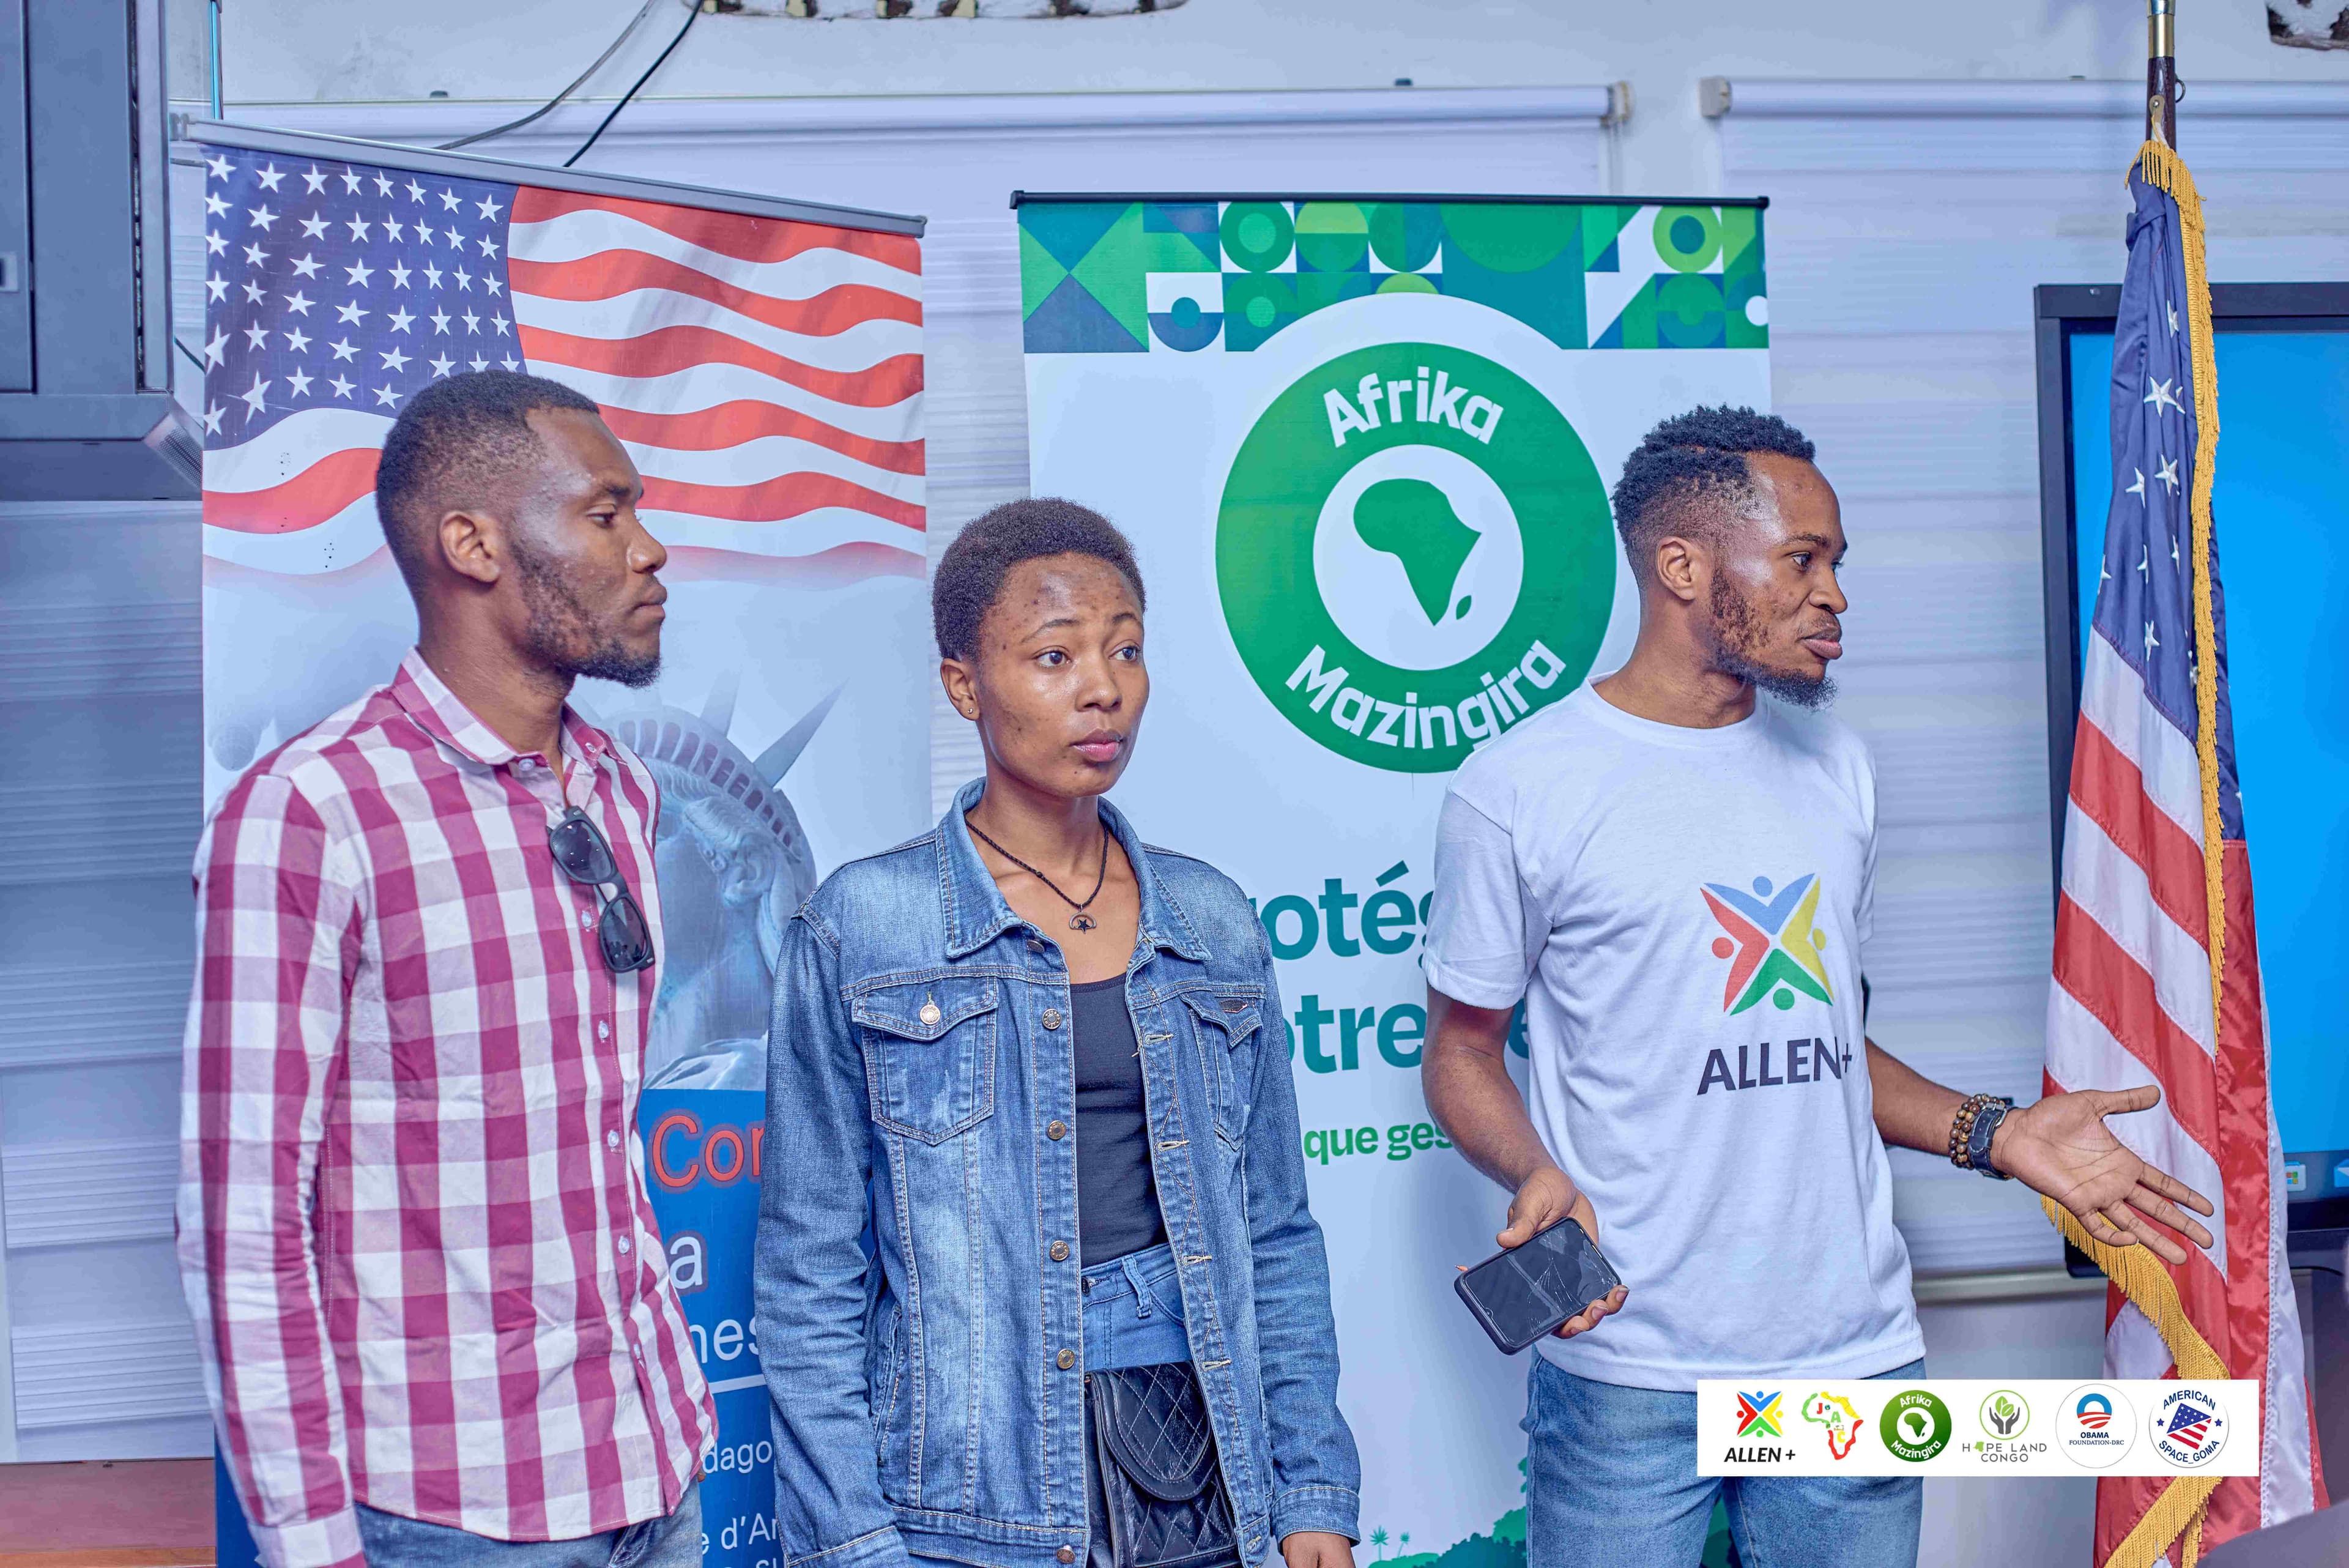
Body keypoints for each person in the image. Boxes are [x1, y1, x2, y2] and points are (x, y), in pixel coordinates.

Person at [1420, 407, 2216, 1568]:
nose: (1835, 593)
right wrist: (1535, 1167)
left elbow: (1828, 1040)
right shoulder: (1520, 789)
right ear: (1683, 567)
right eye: (1803, 560)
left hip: (1853, 1360)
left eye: (1837, 562)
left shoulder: (1838, 769)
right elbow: (1459, 1054)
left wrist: (1999, 1134)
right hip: (1632, 1371)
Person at [755, 499, 1360, 1568]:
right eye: (1054, 655)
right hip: (962, 1489)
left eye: (1126, 648)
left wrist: (1311, 1491)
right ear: (964, 687)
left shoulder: (1211, 919)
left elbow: (1274, 1232)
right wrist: (853, 1541)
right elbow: (811, 1267)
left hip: (1201, 1465)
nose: (1104, 687)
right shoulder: (865, 922)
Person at [177, 371, 712, 1568]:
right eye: (607, 513)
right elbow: (242, 1225)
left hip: (657, 1464)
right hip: (452, 1516)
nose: (652, 549)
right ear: (471, 544)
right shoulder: (310, 813)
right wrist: (314, 1547)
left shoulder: (623, 792)